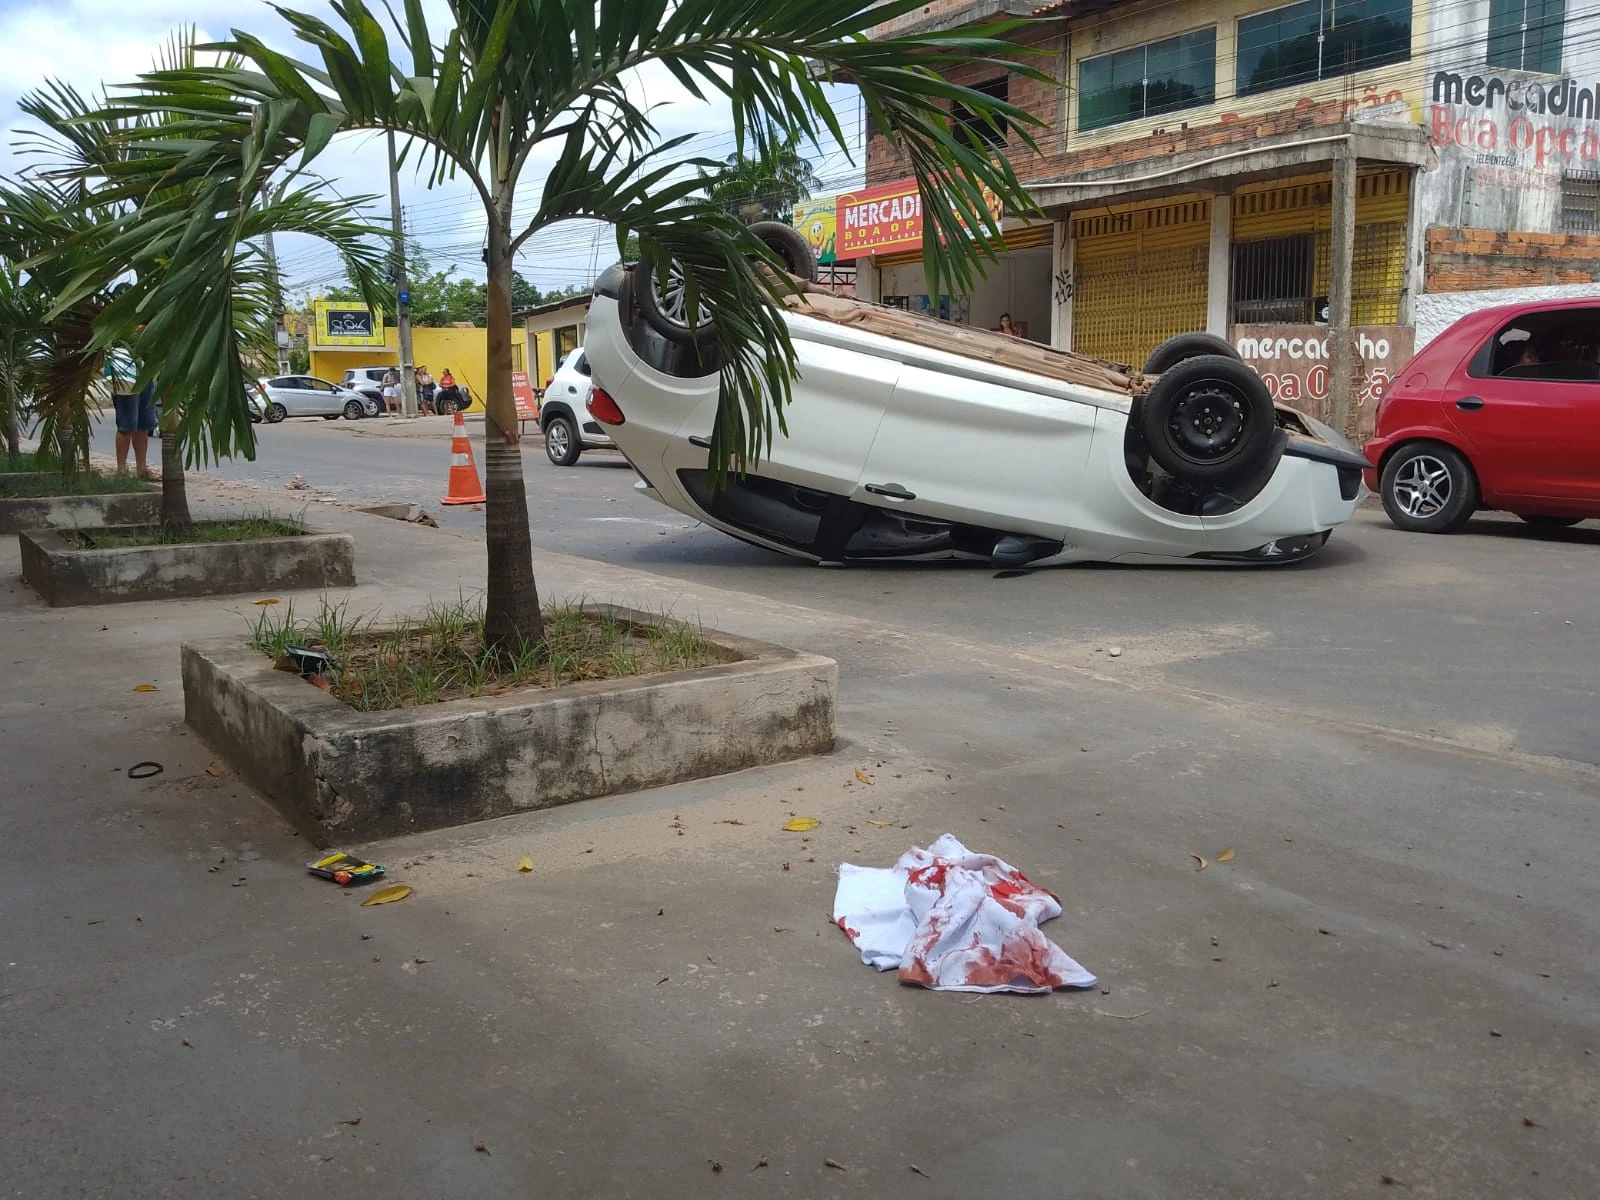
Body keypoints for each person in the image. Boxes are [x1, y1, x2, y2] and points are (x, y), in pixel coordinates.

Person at [113, 377, 158, 479]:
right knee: (125, 426)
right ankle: (121, 471)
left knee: (143, 425)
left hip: (146, 375)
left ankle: (141, 470)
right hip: (125, 376)